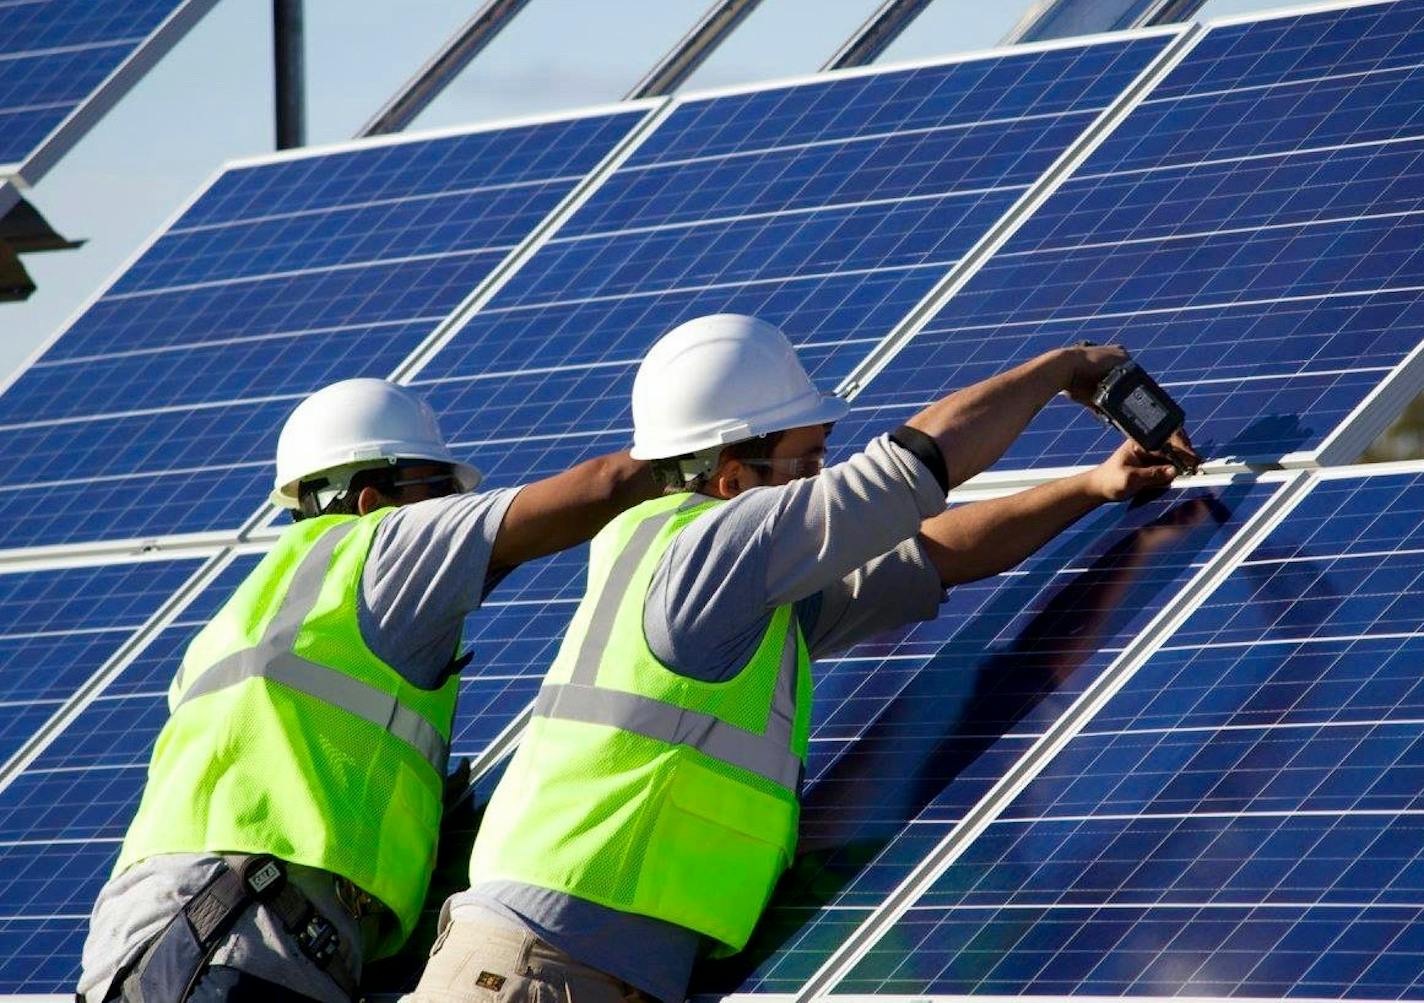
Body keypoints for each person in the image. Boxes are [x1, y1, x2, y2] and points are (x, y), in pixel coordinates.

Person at [401, 314, 1201, 1003]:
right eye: (807, 458)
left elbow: (925, 554)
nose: (818, 477)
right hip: (542, 970)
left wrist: (1089, 487)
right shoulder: (711, 551)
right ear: (731, 474)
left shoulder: (720, 583)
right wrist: (1060, 369)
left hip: (557, 966)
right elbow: (914, 469)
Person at [77, 378, 657, 1003]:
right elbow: (605, 487)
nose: (452, 512)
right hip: (235, 939)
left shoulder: (255, 610)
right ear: (371, 498)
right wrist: (709, 453)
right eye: (437, 495)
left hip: (165, 939)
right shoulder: (381, 546)